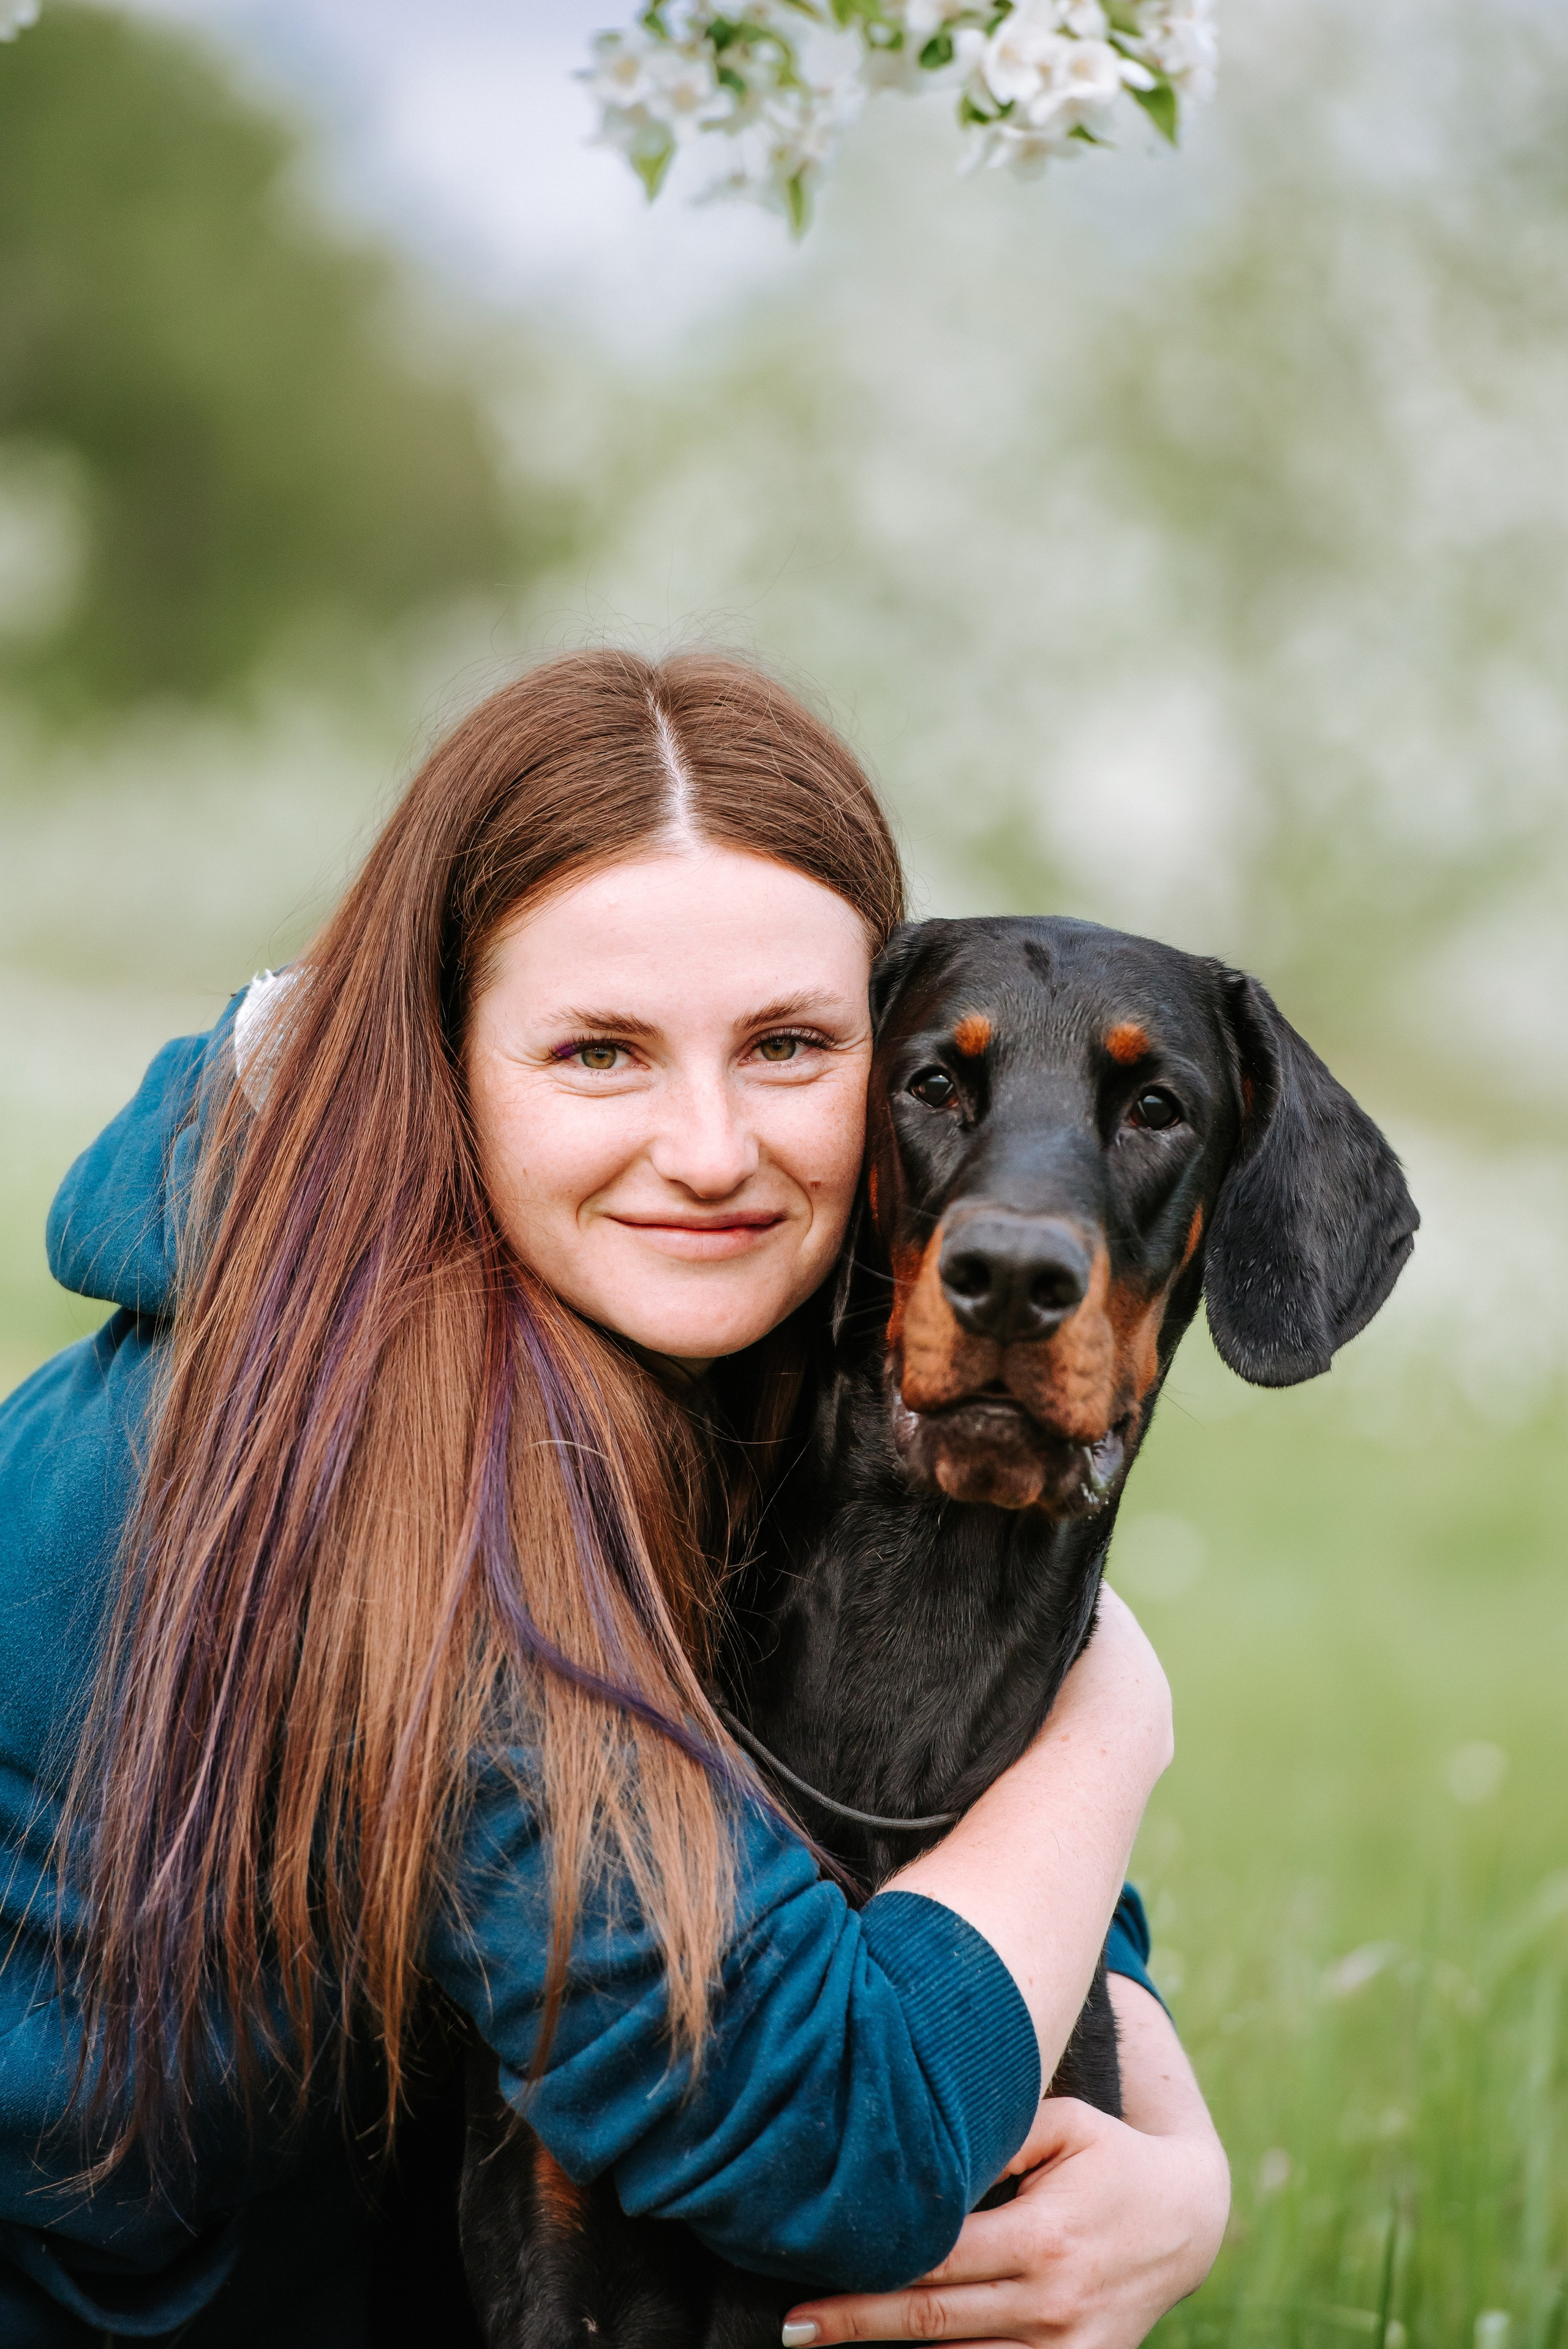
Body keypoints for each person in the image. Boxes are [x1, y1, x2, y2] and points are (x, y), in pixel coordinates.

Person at [0, 650, 1229, 2347]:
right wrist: (1117, 1709)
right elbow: (835, 2137)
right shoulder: (385, 1458)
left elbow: (914, 1771)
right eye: (599, 1052)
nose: (712, 1147)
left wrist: (1169, 2155)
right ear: (440, 1058)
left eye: (790, 1044)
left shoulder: (667, 1313)